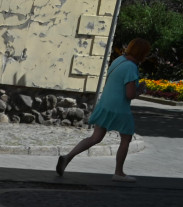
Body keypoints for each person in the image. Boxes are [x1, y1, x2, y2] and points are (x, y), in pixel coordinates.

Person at [56, 38, 152, 183]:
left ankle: (67, 158)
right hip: (119, 108)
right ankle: (118, 173)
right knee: (126, 138)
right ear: (142, 53)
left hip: (105, 104)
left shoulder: (119, 60)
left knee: (95, 137)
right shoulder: (131, 67)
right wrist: (141, 90)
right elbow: (129, 94)